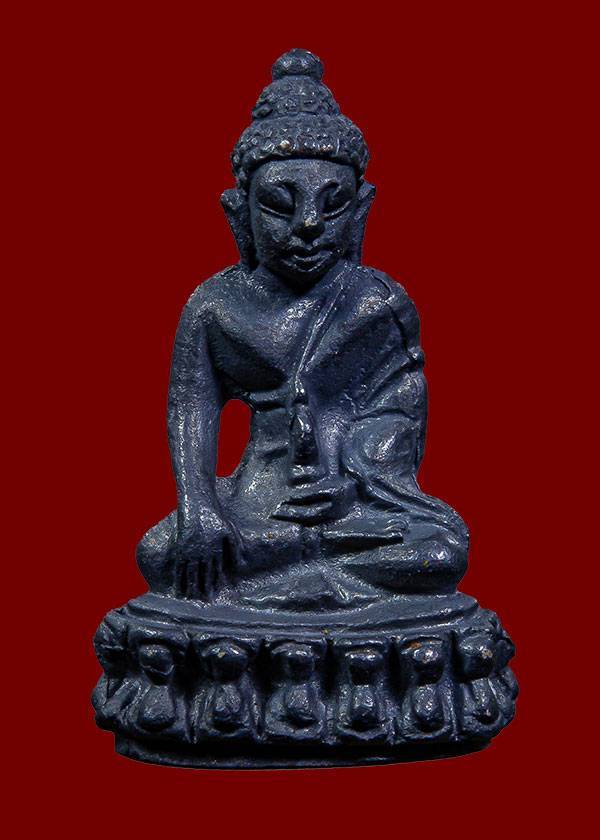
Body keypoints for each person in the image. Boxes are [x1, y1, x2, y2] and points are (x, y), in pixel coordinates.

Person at [137, 50, 468, 609]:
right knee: (158, 553)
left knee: (438, 555)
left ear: (361, 211)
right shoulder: (215, 306)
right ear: (238, 212)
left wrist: (356, 486)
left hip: (354, 508)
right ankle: (314, 579)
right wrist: (199, 509)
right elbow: (190, 407)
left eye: (332, 206)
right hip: (258, 504)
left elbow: (401, 410)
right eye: (278, 205)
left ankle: (300, 581)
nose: (308, 225)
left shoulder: (377, 303)